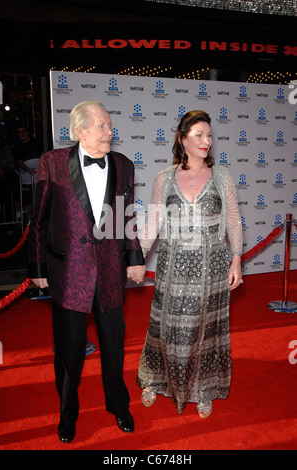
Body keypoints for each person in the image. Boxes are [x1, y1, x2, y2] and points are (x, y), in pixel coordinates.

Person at [28, 101, 146, 443]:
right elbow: (39, 219)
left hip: (110, 271)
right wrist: (37, 267)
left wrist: (135, 257)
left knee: (115, 346)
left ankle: (119, 406)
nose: (110, 132)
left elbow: (126, 216)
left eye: (110, 126)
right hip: (68, 274)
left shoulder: (123, 165)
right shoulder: (52, 162)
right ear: (80, 131)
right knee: (69, 350)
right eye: (102, 127)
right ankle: (67, 415)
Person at [137, 110, 243, 418]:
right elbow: (154, 220)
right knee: (166, 326)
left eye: (209, 135)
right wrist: (137, 258)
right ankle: (155, 380)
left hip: (212, 264)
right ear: (182, 139)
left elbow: (234, 220)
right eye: (199, 135)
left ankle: (203, 388)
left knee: (206, 329)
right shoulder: (164, 177)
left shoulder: (222, 177)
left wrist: (236, 259)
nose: (206, 141)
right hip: (173, 264)